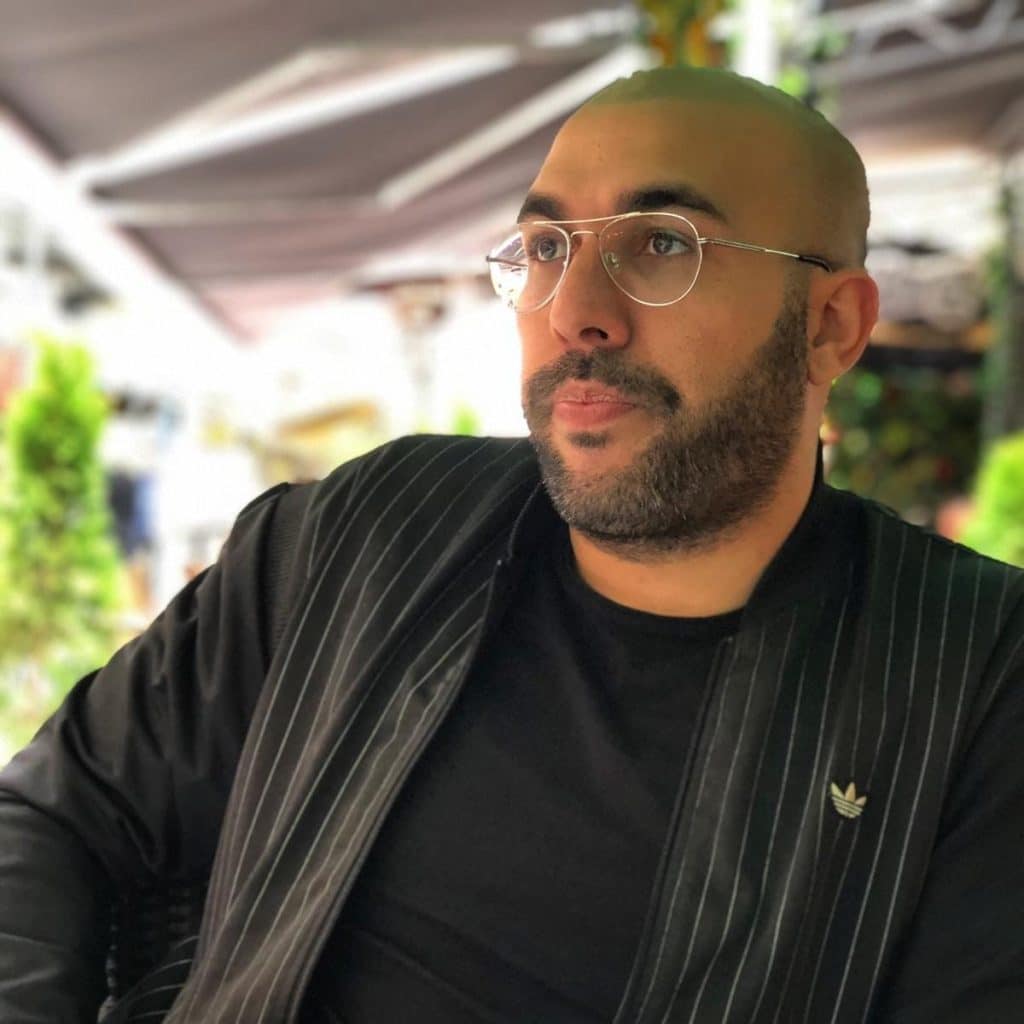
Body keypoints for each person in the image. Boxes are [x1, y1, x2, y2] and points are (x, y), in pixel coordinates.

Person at [1, 66, 1022, 1024]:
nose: (576, 311)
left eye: (662, 244)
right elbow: (58, 809)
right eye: (544, 248)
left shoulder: (971, 679)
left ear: (830, 327)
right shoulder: (365, 534)